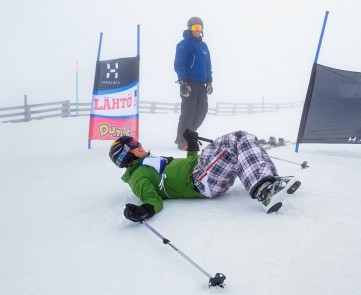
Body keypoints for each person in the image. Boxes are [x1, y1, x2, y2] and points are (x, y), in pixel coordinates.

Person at [109, 130, 301, 222]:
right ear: (124, 155)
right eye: (132, 144)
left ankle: (271, 181)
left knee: (244, 139)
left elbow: (181, 166)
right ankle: (264, 191)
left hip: (201, 167)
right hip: (200, 181)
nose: (138, 143)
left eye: (135, 140)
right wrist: (145, 210)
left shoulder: (149, 161)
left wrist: (192, 146)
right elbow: (152, 199)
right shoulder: (138, 177)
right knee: (237, 140)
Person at [174, 17, 213, 150]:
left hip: (201, 84)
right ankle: (182, 141)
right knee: (188, 112)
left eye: (199, 27)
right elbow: (179, 64)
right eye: (194, 27)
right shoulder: (183, 44)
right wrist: (183, 82)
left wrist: (209, 81)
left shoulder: (203, 46)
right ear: (189, 28)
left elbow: (208, 65)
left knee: (202, 112)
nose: (197, 30)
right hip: (189, 83)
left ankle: (187, 134)